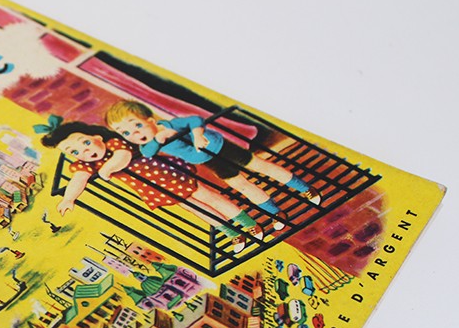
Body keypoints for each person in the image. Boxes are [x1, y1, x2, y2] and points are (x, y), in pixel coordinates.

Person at [36, 117, 263, 253]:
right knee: (196, 209)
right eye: (75, 152)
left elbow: (123, 157)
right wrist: (69, 198)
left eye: (85, 143)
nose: (85, 151)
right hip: (154, 189)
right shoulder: (87, 164)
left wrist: (106, 170)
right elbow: (78, 179)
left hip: (169, 175)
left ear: (96, 137)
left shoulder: (115, 144)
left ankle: (248, 223)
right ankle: (232, 233)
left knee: (209, 197)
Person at [105, 101, 321, 229]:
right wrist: (159, 139)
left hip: (219, 147)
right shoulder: (149, 144)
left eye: (137, 126)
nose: (135, 134)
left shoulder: (170, 124)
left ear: (151, 121)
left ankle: (305, 189)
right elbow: (148, 152)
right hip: (209, 161)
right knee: (241, 185)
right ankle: (275, 212)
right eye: (125, 132)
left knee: (260, 166)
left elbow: (195, 120)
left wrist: (197, 135)